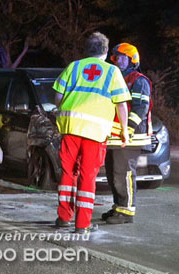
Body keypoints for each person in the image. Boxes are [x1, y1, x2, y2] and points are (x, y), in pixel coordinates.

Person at [52, 32, 131, 234]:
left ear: (87, 50)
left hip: (70, 128)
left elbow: (58, 97)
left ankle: (63, 217)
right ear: (105, 51)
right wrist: (124, 131)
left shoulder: (73, 67)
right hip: (95, 132)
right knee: (88, 176)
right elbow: (121, 105)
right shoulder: (112, 72)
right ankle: (82, 224)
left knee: (68, 173)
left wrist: (65, 114)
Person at [102, 43, 153, 224]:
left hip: (131, 136)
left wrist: (128, 129)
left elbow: (141, 108)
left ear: (132, 60)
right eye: (116, 58)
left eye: (122, 57)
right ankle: (118, 207)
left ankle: (127, 211)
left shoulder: (138, 80)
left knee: (123, 173)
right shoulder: (115, 78)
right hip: (115, 136)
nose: (118, 61)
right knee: (113, 173)